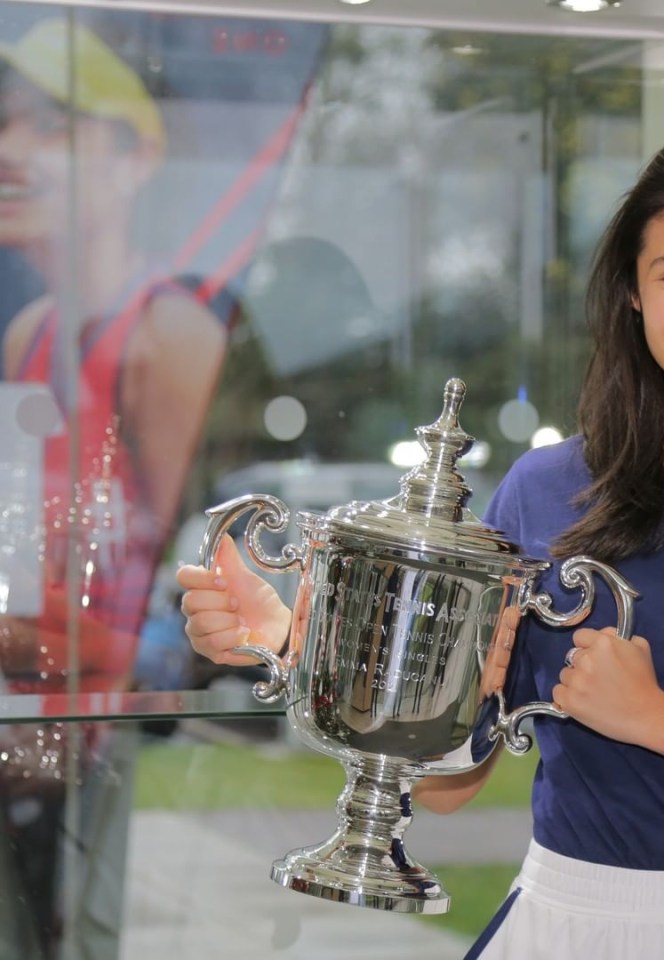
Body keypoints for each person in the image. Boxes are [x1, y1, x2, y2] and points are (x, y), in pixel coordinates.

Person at [176, 124, 664, 959]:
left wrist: (659, 720)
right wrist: (298, 644)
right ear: (632, 291)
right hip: (554, 915)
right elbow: (449, 785)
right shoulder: (545, 490)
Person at [0, 18, 229, 960]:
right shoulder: (32, 335)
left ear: (137, 160)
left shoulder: (164, 336)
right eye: (4, 123)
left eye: (52, 126)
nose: (11, 152)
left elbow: (179, 607)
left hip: (95, 725)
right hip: (25, 718)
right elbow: (22, 546)